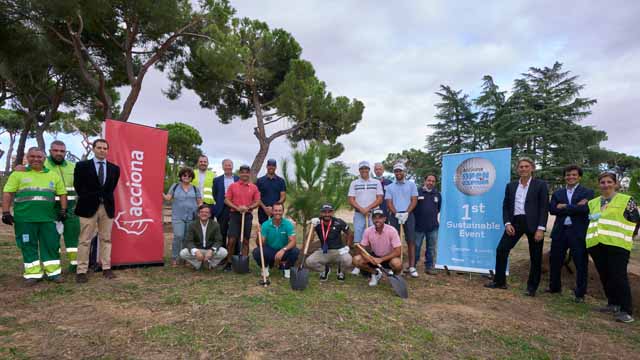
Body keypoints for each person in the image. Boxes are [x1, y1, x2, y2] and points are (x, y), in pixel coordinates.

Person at [2, 147, 67, 285]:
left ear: (44, 158)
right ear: (27, 157)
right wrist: (6, 212)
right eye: (32, 156)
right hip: (25, 219)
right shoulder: (17, 174)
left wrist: (63, 210)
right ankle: (33, 274)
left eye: (39, 157)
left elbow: (62, 194)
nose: (36, 159)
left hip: (48, 219)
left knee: (51, 245)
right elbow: (8, 193)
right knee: (28, 245)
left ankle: (53, 273)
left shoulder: (53, 175)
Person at [485, 157, 548, 296]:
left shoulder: (541, 185)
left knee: (535, 257)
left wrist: (541, 228)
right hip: (515, 223)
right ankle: (499, 282)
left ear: (532, 168)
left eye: (526, 166)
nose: (524, 169)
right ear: (517, 169)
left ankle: (532, 288)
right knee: (501, 250)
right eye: (521, 167)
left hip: (534, 224)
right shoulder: (511, 185)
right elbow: (506, 206)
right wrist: (507, 223)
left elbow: (544, 207)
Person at [587, 172, 639, 323]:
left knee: (619, 276)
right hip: (597, 244)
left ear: (616, 184)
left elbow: (635, 220)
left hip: (618, 245)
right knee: (605, 275)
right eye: (603, 182)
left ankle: (626, 311)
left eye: (609, 182)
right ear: (599, 185)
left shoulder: (626, 200)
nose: (606, 185)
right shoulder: (594, 202)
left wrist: (631, 236)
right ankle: (613, 303)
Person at [74, 139, 121, 283]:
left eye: (105, 148)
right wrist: (92, 198)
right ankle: (81, 270)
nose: (102, 150)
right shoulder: (82, 166)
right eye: (99, 147)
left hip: (107, 208)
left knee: (106, 239)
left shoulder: (114, 168)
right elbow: (78, 187)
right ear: (93, 149)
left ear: (107, 150)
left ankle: (106, 268)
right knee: (84, 240)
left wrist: (103, 199)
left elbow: (111, 187)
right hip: (87, 208)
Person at [547, 165, 594, 302]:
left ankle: (580, 293)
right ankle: (554, 288)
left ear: (579, 177)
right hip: (560, 232)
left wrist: (565, 206)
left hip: (578, 233)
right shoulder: (558, 193)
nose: (570, 177)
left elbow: (585, 209)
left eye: (574, 175)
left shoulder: (587, 192)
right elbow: (552, 210)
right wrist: (575, 207)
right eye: (568, 175)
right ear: (564, 177)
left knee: (580, 263)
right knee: (555, 260)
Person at [348, 161, 383, 275]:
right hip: (359, 214)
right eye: (362, 168)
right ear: (359, 170)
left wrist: (368, 208)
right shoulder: (354, 183)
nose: (364, 170)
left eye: (366, 168)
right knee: (358, 239)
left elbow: (379, 198)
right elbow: (351, 199)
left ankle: (375, 263)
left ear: (369, 169)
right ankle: (358, 265)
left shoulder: (376, 182)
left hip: (373, 214)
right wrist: (362, 209)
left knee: (375, 238)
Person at [385, 162, 419, 278]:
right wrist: (396, 213)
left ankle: (412, 266)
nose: (398, 173)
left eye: (400, 171)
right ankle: (393, 266)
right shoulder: (389, 187)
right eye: (396, 171)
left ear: (404, 172)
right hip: (394, 216)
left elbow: (414, 200)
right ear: (394, 173)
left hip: (408, 215)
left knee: (411, 240)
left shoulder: (411, 185)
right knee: (393, 242)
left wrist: (407, 213)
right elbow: (389, 202)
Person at [352, 209, 402, 287]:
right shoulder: (368, 231)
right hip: (374, 257)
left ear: (384, 219)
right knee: (356, 260)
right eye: (375, 218)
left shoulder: (392, 230)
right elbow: (361, 249)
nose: (377, 220)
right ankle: (375, 273)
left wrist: (381, 259)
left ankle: (395, 277)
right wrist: (369, 258)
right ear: (372, 219)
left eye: (380, 217)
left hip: (388, 257)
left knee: (397, 263)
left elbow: (398, 251)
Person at [224, 164, 260, 271]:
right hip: (235, 215)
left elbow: (257, 201)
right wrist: (237, 208)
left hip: (247, 215)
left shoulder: (253, 187)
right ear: (239, 173)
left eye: (246, 172)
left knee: (245, 240)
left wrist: (248, 207)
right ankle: (229, 262)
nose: (244, 174)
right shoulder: (233, 186)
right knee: (231, 240)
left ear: (249, 174)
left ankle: (244, 263)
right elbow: (226, 200)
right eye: (242, 172)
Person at [163, 167, 202, 266]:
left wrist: (202, 210)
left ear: (191, 177)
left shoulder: (195, 188)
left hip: (191, 217)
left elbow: (199, 202)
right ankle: (175, 258)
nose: (187, 177)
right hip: (178, 216)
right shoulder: (175, 186)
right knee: (178, 236)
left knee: (187, 238)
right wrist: (159, 191)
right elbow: (168, 198)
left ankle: (185, 258)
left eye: (189, 175)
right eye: (184, 175)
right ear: (181, 176)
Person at [306, 204, 353, 281]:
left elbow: (350, 233)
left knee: (348, 260)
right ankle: (325, 270)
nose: (327, 214)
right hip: (324, 251)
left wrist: (347, 246)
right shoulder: (317, 222)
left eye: (329, 212)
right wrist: (312, 226)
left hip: (339, 251)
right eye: (324, 212)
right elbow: (309, 239)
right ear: (321, 213)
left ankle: (340, 271)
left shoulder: (339, 222)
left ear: (332, 212)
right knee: (309, 261)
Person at [253, 203, 299, 279]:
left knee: (295, 251)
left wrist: (283, 250)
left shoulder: (288, 224)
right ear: (272, 212)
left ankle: (287, 268)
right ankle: (265, 267)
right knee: (256, 252)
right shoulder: (265, 224)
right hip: (271, 250)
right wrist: (259, 234)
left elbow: (293, 242)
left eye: (280, 210)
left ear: (283, 211)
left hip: (284, 250)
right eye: (276, 210)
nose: (278, 212)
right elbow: (260, 244)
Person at [179, 205, 228, 270]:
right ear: (198, 214)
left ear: (210, 215)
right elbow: (189, 241)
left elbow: (218, 241)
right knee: (183, 253)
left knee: (224, 252)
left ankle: (210, 264)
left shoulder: (215, 225)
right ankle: (199, 264)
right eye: (202, 212)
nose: (204, 214)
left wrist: (212, 250)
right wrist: (196, 251)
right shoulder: (192, 225)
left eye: (206, 212)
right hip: (198, 249)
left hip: (209, 250)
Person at [414, 174, 441, 275]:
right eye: (429, 180)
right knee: (416, 247)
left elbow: (438, 208)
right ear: (424, 181)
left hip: (433, 226)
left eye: (433, 181)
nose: (431, 183)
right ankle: (413, 265)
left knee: (431, 248)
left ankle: (429, 266)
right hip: (419, 226)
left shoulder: (437, 194)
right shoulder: (417, 192)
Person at [212, 159, 238, 251]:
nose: (228, 167)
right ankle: (222, 253)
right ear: (223, 167)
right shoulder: (216, 180)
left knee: (234, 233)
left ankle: (234, 254)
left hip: (235, 209)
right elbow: (215, 194)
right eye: (226, 165)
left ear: (232, 166)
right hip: (222, 209)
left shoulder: (238, 179)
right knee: (222, 232)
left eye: (229, 165)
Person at [256, 159, 286, 224]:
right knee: (263, 230)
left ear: (275, 167)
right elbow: (257, 197)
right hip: (262, 210)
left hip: (276, 211)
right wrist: (265, 208)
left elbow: (283, 197)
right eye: (269, 165)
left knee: (276, 229)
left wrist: (273, 208)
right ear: (266, 166)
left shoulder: (281, 181)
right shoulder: (260, 180)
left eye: (273, 165)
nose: (271, 167)